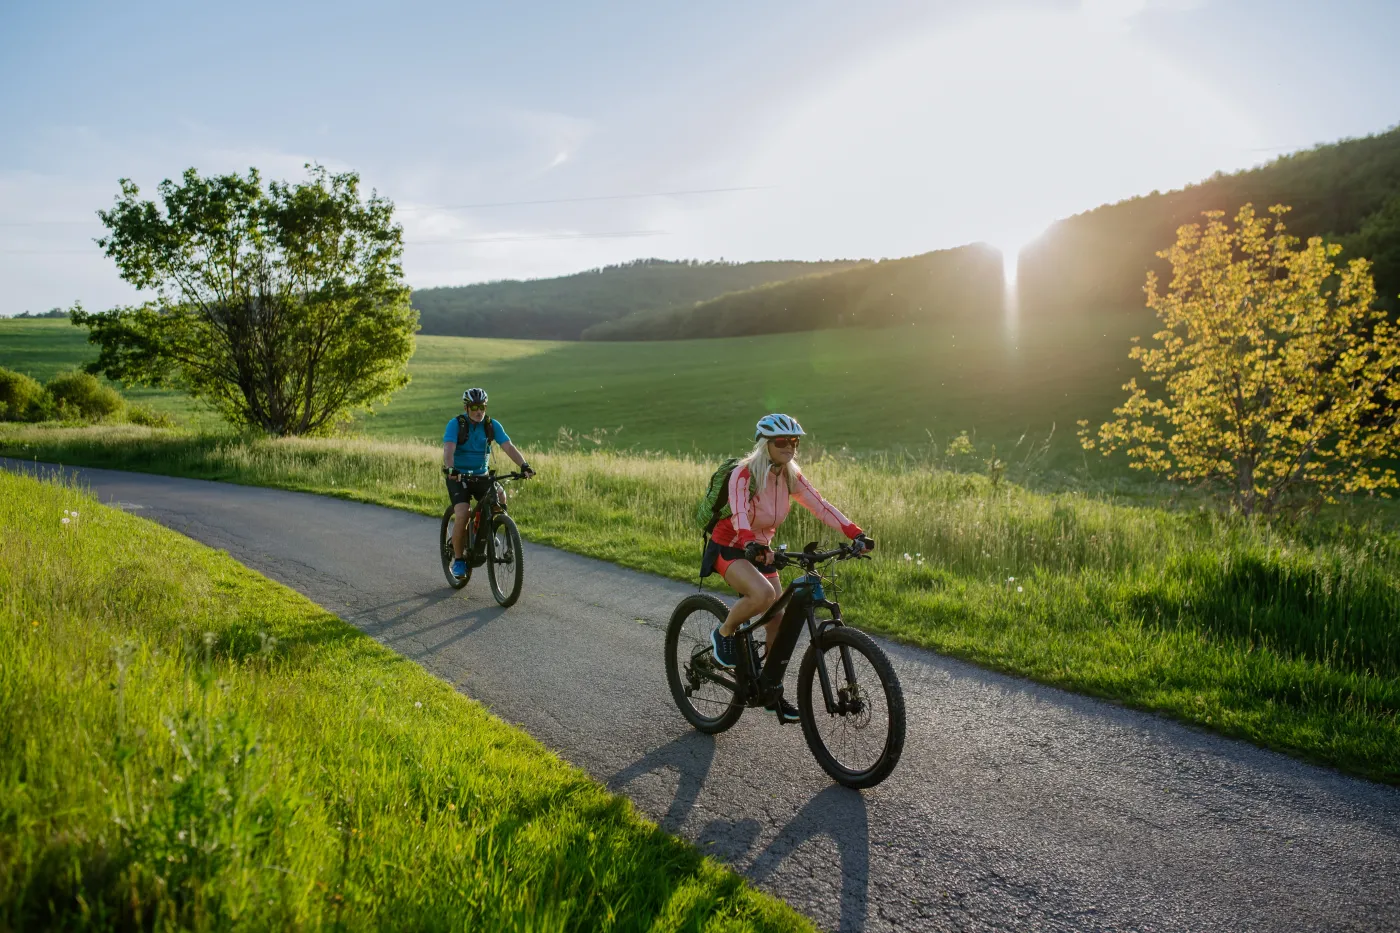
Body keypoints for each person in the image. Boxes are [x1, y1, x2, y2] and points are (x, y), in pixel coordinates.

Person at [705, 413, 874, 722]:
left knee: (778, 620)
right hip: (730, 545)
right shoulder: (744, 474)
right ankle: (724, 632)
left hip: (762, 551)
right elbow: (741, 511)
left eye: (793, 441)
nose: (789, 447)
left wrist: (855, 533)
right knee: (763, 595)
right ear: (765, 444)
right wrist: (747, 542)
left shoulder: (789, 476)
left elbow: (820, 505)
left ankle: (770, 690)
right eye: (781, 442)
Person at [442, 387, 534, 578]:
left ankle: (489, 531)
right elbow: (449, 450)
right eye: (474, 407)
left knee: (501, 495)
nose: (479, 411)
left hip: (481, 475)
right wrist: (451, 469)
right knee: (463, 513)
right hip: (459, 477)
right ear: (467, 408)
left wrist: (524, 465)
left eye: (482, 407)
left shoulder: (491, 425)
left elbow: (508, 447)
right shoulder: (456, 424)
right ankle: (459, 560)